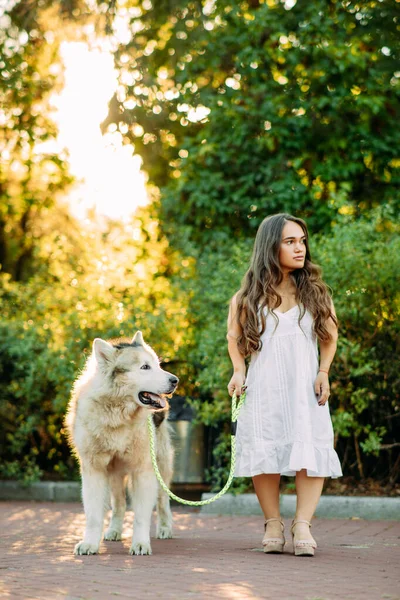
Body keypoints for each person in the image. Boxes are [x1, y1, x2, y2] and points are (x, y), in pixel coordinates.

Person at [227, 213, 342, 557]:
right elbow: (234, 338)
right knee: (267, 450)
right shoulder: (247, 296)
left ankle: (302, 524)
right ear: (270, 247)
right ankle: (273, 523)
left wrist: (324, 371)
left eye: (302, 241)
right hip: (265, 387)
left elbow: (330, 337)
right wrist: (238, 371)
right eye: (290, 241)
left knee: (310, 447)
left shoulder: (315, 291)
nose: (299, 248)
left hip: (305, 387)